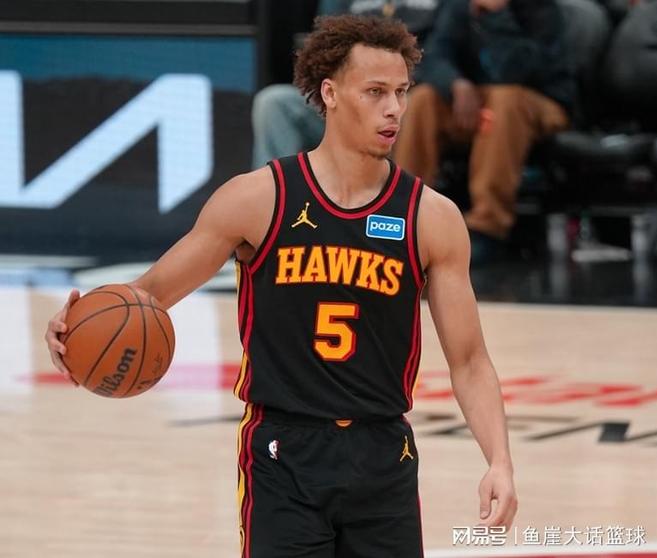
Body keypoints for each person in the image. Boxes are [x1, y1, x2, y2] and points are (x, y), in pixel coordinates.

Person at [45, 15, 517, 557]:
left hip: (383, 452)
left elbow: (470, 361)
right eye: (375, 92)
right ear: (330, 94)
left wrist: (499, 461)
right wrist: (74, 330)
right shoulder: (257, 199)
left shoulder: (431, 217)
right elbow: (149, 295)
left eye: (401, 92)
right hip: (282, 452)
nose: (394, 108)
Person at [394, 0, 575, 264]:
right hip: (478, 101)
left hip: (542, 101)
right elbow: (433, 55)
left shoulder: (539, 8)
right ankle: (404, 218)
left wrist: (497, 17)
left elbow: (518, 71)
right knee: (423, 100)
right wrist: (456, 84)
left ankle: (486, 227)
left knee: (505, 102)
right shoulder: (459, 5)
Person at [251, 0, 440, 170]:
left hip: (409, 93)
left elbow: (442, 50)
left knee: (416, 101)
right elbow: (326, 44)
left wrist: (390, 82)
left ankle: (401, 196)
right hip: (351, 91)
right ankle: (275, 191)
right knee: (274, 101)